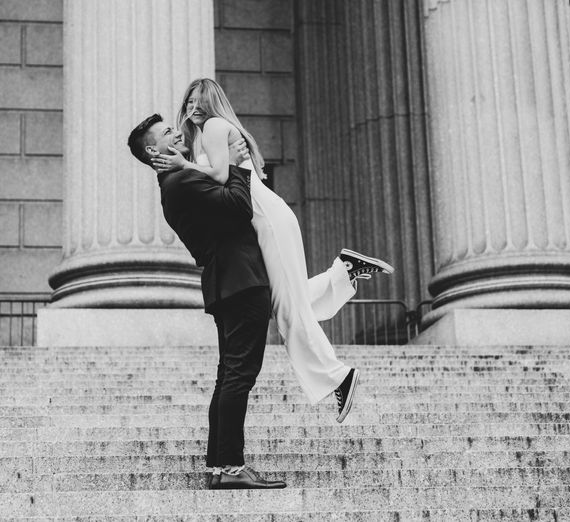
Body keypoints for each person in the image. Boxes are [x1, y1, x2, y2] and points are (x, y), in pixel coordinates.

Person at [150, 78, 393, 421]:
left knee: (287, 310)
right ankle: (343, 273)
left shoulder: (216, 126)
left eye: (199, 101)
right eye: (189, 101)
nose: (192, 108)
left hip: (269, 222)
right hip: (264, 222)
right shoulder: (206, 134)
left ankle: (339, 376)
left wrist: (183, 166)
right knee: (285, 302)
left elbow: (221, 175)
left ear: (212, 102)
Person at [128, 114, 286, 490]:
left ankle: (220, 466)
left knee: (228, 376)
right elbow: (237, 206)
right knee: (238, 376)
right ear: (154, 150)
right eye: (168, 132)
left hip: (228, 283)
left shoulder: (178, 180)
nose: (178, 132)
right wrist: (231, 162)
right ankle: (231, 467)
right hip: (241, 282)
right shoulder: (181, 180)